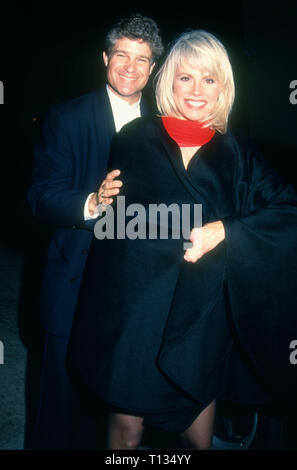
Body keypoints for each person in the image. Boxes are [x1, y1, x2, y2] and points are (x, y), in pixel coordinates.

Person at [69, 30, 297, 449]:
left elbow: (287, 210)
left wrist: (227, 230)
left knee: (197, 433)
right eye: (185, 78)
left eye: (209, 80)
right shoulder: (135, 136)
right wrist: (99, 199)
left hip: (201, 314)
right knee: (127, 430)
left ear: (222, 87)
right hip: (134, 311)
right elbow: (116, 229)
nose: (196, 91)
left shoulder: (239, 152)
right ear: (169, 81)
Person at [27, 13, 163, 449]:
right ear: (105, 57)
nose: (130, 66)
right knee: (60, 411)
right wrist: (91, 202)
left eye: (142, 59)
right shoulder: (66, 118)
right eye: (121, 54)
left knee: (117, 414)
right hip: (75, 284)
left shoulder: (166, 124)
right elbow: (39, 195)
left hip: (136, 296)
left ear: (154, 68)